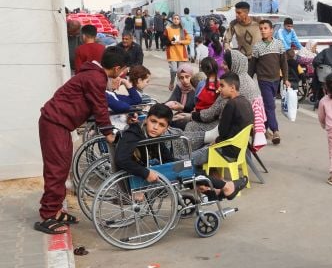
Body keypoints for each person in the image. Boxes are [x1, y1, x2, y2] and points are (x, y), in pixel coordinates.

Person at [35, 46, 125, 234]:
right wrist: (108, 132)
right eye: (123, 70)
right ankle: (47, 215)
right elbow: (100, 106)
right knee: (56, 170)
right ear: (116, 68)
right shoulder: (96, 78)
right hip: (54, 123)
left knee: (61, 168)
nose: (122, 74)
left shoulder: (93, 74)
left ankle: (55, 210)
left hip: (58, 123)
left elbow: (94, 105)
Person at [114, 103, 247, 201]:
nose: (155, 127)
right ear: (147, 119)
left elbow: (168, 159)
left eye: (161, 125)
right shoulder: (134, 133)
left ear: (166, 128)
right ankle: (225, 187)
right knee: (185, 168)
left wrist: (193, 178)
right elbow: (121, 159)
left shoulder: (154, 136)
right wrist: (146, 173)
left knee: (185, 167)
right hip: (136, 178)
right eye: (153, 121)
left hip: (148, 171)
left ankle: (212, 188)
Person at [190, 72, 255, 171]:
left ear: (232, 88)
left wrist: (216, 142)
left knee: (188, 160)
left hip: (226, 151)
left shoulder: (231, 104)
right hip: (239, 150)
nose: (219, 89)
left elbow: (222, 132)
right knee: (202, 146)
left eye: (222, 85)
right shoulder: (246, 101)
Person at [250, 19, 289, 144]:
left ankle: (262, 130)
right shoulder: (257, 46)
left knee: (268, 105)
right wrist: (248, 80)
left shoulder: (279, 44)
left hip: (276, 80)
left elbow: (284, 63)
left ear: (271, 30)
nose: (263, 31)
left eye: (265, 28)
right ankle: (275, 130)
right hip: (263, 80)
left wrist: (286, 79)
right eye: (261, 29)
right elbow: (252, 66)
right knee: (270, 105)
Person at [223, 1, 260, 72]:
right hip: (244, 59)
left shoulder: (257, 21)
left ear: (247, 12)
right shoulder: (233, 24)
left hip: (259, 58)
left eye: (239, 13)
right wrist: (228, 49)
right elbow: (226, 39)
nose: (236, 15)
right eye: (236, 13)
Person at [165, 64, 197, 128]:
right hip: (180, 115)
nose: (184, 80)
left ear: (192, 76)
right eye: (181, 78)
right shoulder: (179, 87)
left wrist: (182, 107)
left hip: (193, 117)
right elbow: (172, 99)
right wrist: (165, 105)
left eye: (187, 77)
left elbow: (197, 109)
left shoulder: (196, 88)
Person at [165, 14, 191, 91]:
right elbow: (164, 40)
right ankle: (172, 82)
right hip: (172, 53)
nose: (176, 20)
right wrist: (170, 42)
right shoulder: (168, 29)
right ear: (172, 20)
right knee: (174, 70)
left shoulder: (183, 30)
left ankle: (178, 87)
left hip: (181, 54)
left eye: (177, 19)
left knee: (180, 72)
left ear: (179, 20)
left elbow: (188, 40)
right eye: (174, 18)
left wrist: (181, 41)